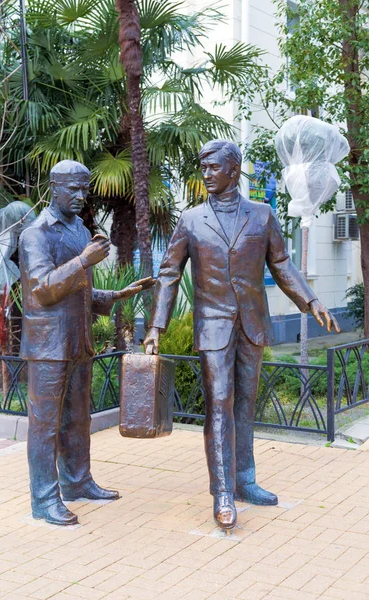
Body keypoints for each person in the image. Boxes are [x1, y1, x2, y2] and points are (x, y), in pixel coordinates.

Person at [144, 140, 339, 532]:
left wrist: (310, 300)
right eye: (204, 167)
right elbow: (168, 274)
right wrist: (155, 326)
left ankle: (244, 479)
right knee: (219, 404)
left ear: (233, 170)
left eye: (214, 167)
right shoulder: (192, 219)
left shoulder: (262, 215)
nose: (206, 174)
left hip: (252, 324)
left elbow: (281, 263)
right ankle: (222, 492)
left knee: (245, 404)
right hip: (212, 325)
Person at [19, 160, 153, 526]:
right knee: (45, 426)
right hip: (48, 346)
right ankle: (45, 500)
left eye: (84, 188)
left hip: (78, 341)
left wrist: (114, 295)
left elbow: (78, 289)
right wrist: (84, 260)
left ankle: (78, 482)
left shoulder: (79, 229)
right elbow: (43, 289)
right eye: (73, 189)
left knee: (77, 420)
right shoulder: (36, 234)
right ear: (53, 188)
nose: (81, 196)